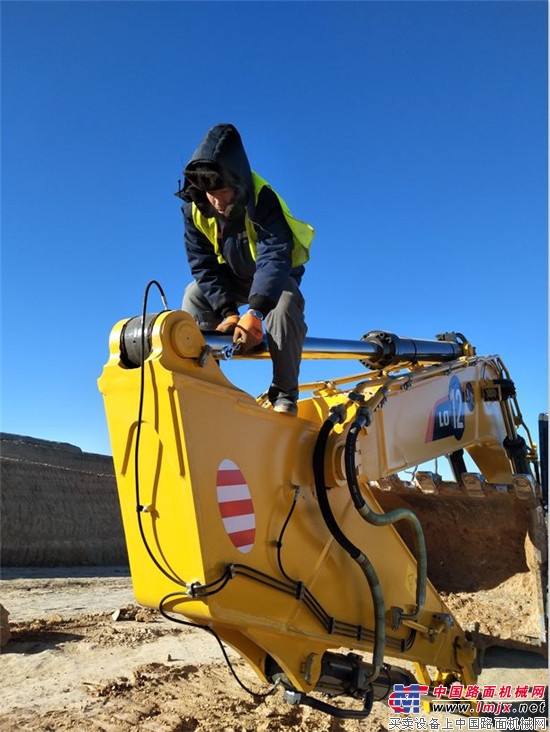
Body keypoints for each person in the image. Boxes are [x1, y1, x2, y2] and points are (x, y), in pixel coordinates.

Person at [177, 123, 314, 416]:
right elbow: (202, 265)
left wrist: (255, 313)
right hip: (236, 277)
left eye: (223, 191)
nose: (217, 201)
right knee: (194, 294)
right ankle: (201, 383)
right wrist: (228, 313)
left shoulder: (262, 198)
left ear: (237, 183)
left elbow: (275, 257)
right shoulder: (195, 208)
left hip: (276, 277)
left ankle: (284, 393)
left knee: (286, 302)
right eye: (210, 193)